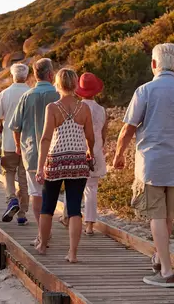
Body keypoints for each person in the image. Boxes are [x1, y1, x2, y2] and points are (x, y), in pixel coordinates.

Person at [113, 43, 174, 288]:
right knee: (167, 216)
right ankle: (158, 256)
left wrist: (119, 154)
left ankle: (165, 271)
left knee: (156, 216)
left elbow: (128, 127)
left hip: (151, 164)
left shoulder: (145, 90)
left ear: (154, 64)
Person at [35, 68, 95, 262]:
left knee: (48, 206)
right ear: (76, 84)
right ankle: (73, 253)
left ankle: (43, 245)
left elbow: (45, 138)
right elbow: (90, 136)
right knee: (75, 208)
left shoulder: (52, 108)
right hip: (78, 161)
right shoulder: (84, 108)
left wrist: (40, 166)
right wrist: (90, 152)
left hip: (56, 160)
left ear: (58, 85)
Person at [10, 58, 60, 244]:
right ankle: (49, 231)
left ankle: (42, 234)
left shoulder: (27, 96)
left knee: (36, 193)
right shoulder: (58, 95)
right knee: (52, 193)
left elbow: (15, 126)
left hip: (32, 153)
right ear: (50, 74)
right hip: (57, 153)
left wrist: (17, 146)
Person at [61, 73, 107, 235]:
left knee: (72, 186)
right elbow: (103, 133)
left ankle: (67, 216)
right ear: (96, 91)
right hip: (95, 153)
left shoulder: (76, 108)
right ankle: (89, 225)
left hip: (77, 151)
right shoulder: (101, 110)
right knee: (91, 189)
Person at [0, 64, 31, 226]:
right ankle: (22, 215)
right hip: (29, 144)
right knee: (23, 178)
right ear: (27, 76)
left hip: (8, 143)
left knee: (8, 173)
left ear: (12, 76)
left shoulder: (4, 94)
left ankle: (11, 199)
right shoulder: (31, 93)